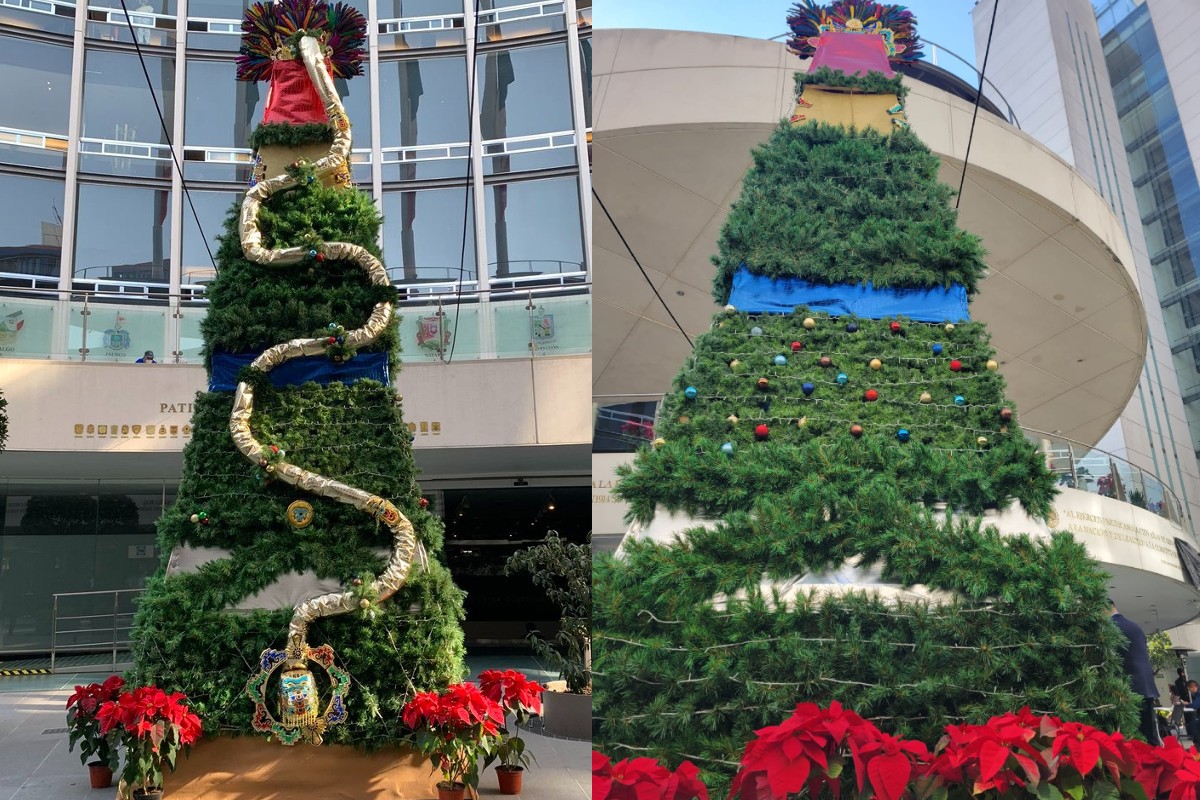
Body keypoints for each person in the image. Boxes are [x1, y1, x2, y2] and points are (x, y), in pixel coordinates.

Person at [1110, 599, 1164, 745]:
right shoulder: (1134, 626)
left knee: (1132, 736)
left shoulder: (1112, 626)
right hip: (1145, 685)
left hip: (1129, 687)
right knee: (1148, 732)